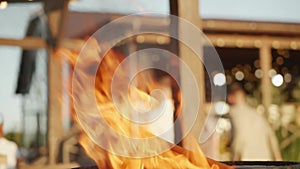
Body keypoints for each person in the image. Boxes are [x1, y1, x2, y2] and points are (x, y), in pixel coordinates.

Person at [227, 83, 282, 161]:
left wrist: (235, 157)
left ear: (230, 97)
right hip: (264, 159)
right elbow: (271, 135)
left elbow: (239, 137)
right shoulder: (256, 114)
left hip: (247, 158)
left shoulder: (234, 113)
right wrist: (278, 157)